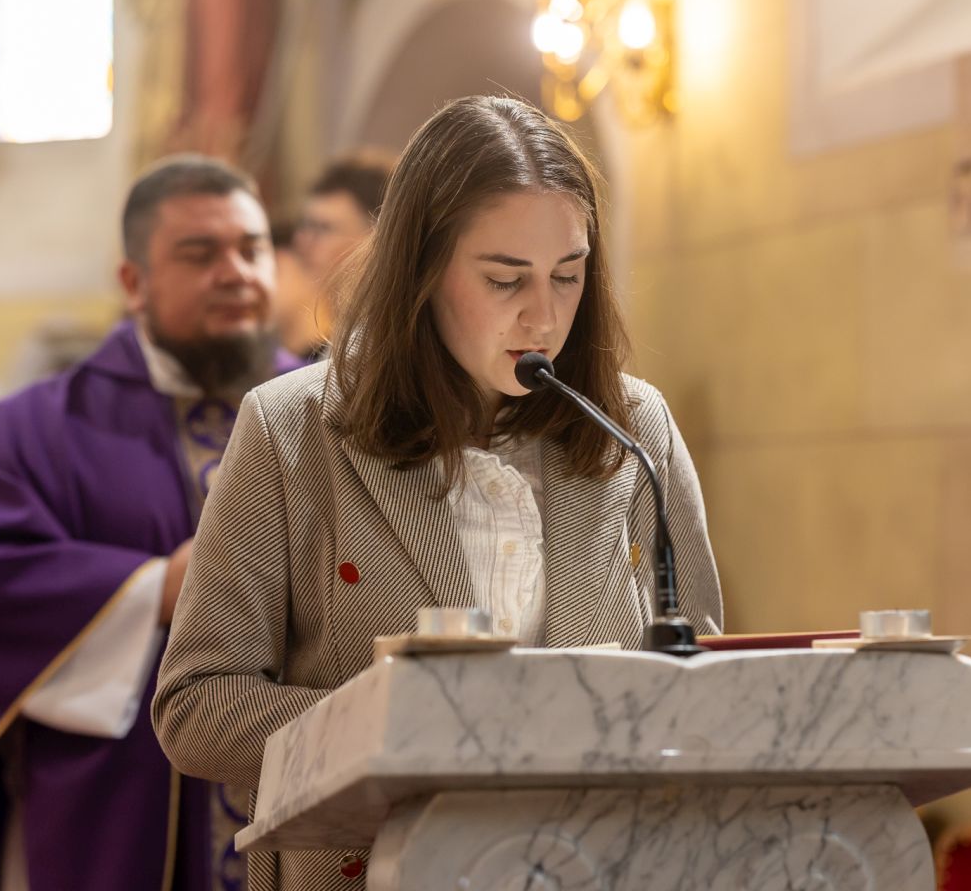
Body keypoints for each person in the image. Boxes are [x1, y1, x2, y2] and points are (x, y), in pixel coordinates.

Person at [151, 96, 723, 891]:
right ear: (423, 270)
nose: (544, 315)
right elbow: (195, 710)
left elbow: (701, 679)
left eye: (568, 275)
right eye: (504, 279)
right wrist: (402, 727)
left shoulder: (637, 430)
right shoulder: (290, 429)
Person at [0, 155, 302, 891]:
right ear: (133, 284)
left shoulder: (337, 417)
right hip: (116, 816)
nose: (236, 272)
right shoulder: (29, 434)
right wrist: (156, 589)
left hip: (301, 803)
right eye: (200, 254)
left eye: (252, 249)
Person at [276, 151, 394, 358]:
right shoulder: (337, 339)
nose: (301, 242)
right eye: (304, 226)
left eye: (322, 228)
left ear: (376, 240)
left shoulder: (389, 340)